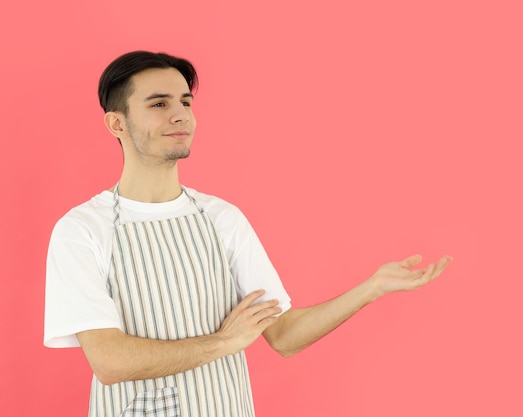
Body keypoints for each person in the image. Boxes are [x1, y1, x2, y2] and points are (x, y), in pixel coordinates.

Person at [44, 50, 452, 417]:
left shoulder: (222, 218)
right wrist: (224, 343)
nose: (180, 114)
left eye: (186, 101)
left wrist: (372, 287)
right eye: (159, 104)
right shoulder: (82, 230)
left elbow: (284, 335)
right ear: (117, 123)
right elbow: (110, 361)